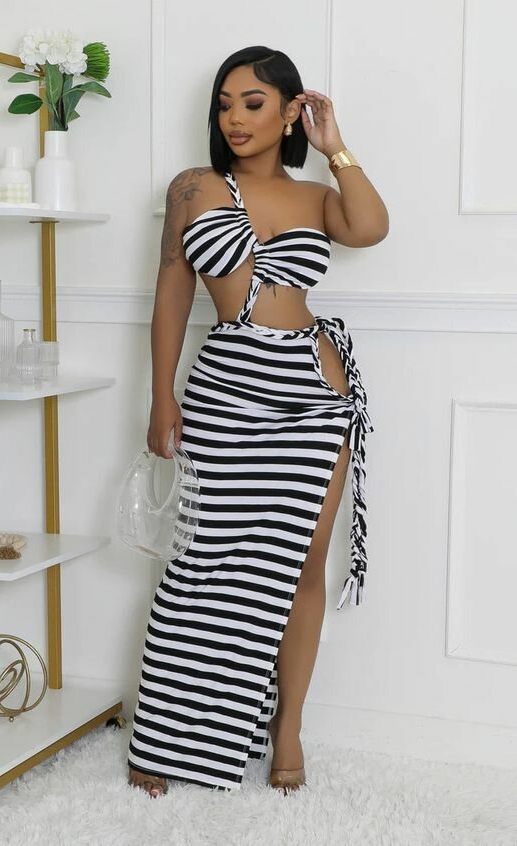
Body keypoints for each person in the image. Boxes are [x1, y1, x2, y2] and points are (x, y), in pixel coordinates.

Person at [127, 45, 388, 798]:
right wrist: (162, 397)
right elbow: (172, 290)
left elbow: (371, 228)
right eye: (224, 104)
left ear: (290, 112)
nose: (234, 118)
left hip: (312, 397)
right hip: (227, 392)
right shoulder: (195, 187)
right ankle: (165, 734)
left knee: (302, 566)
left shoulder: (316, 196)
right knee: (202, 565)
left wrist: (336, 147)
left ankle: (287, 732)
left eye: (252, 103)